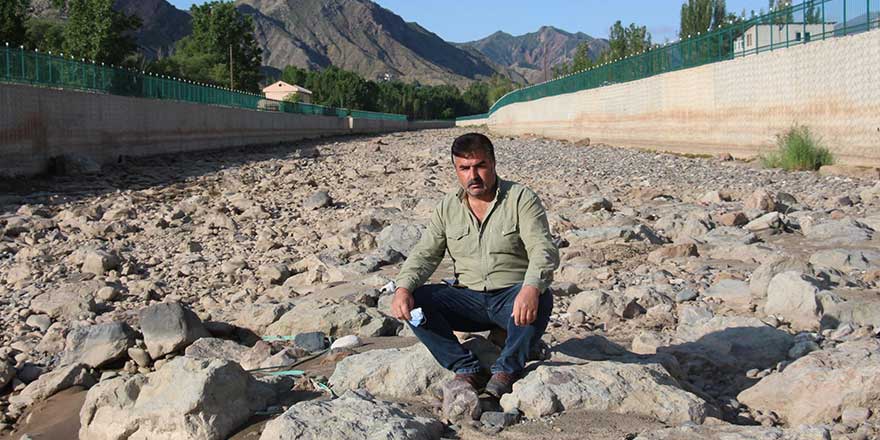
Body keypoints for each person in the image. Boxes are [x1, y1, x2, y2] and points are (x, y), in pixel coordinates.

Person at [390, 132, 559, 398]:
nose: (473, 176)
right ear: (456, 170)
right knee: (417, 302)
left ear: (492, 164)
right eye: (465, 168)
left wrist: (530, 288)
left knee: (542, 297)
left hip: (511, 299)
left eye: (480, 166)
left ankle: (506, 369)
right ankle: (466, 368)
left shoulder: (520, 199)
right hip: (467, 299)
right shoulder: (448, 207)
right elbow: (425, 254)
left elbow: (543, 249)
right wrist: (403, 288)